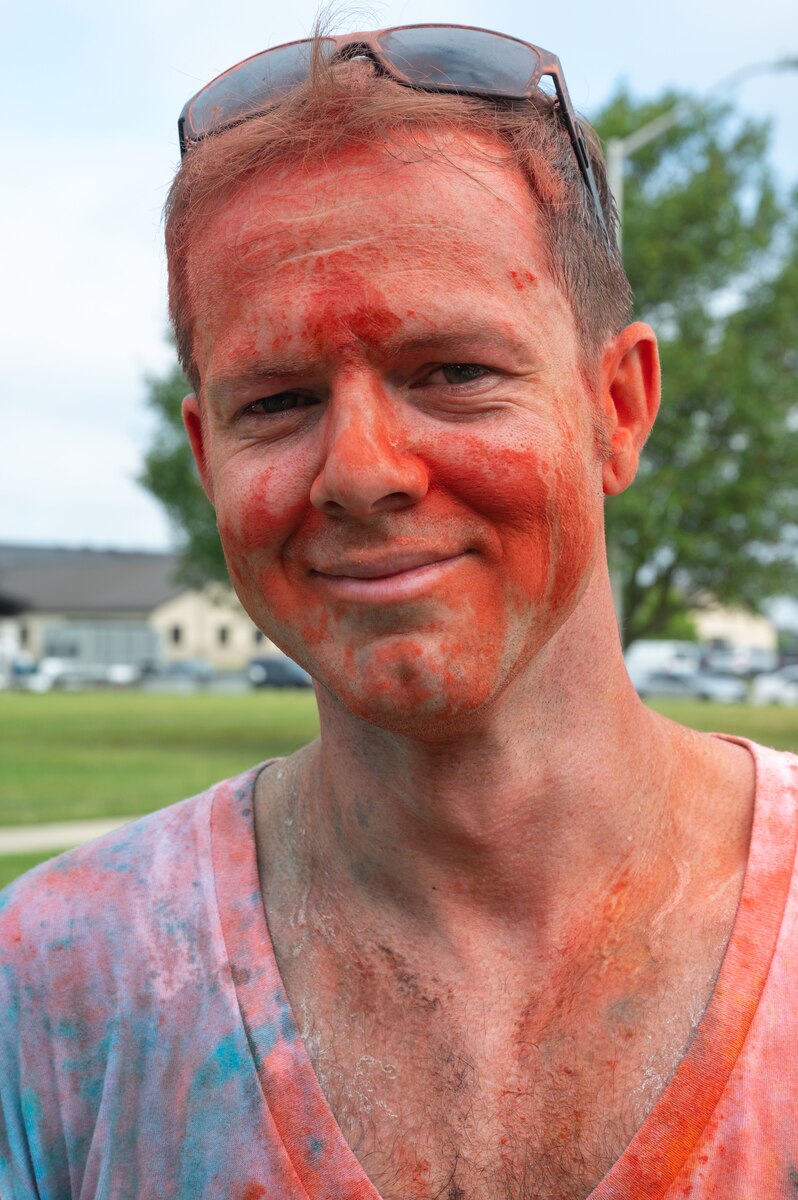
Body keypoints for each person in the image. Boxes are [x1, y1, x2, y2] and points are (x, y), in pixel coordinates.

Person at [2, 24, 797, 1200]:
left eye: (453, 371)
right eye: (278, 400)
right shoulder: (57, 984)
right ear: (207, 452)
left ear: (617, 410)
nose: (361, 470)